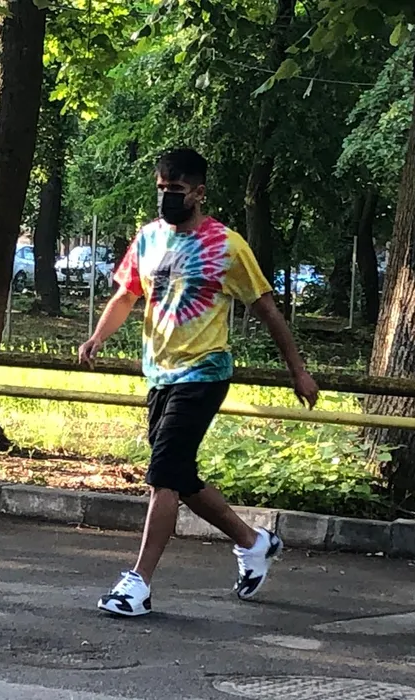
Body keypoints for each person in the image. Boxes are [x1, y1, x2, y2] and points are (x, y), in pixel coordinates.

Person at [78, 148, 319, 617]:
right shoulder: (148, 238)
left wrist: (298, 370)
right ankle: (253, 542)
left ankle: (137, 585)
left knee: (163, 475)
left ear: (199, 192)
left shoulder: (227, 246)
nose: (167, 197)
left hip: (204, 373)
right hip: (160, 373)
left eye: (176, 190)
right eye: (161, 189)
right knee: (179, 476)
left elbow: (267, 309)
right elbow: (126, 295)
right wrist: (97, 337)